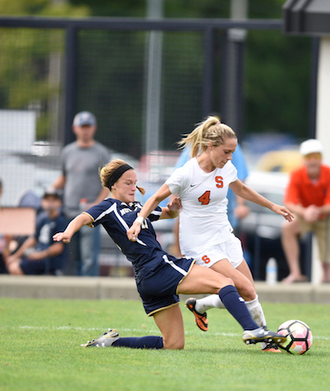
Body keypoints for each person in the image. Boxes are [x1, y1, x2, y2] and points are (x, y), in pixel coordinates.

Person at [53, 159, 287, 350]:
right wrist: (67, 232)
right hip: (158, 268)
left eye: (135, 183)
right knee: (224, 282)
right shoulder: (108, 207)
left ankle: (112, 342)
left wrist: (173, 210)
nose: (134, 188)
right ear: (113, 185)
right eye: (128, 183)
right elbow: (84, 217)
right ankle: (253, 329)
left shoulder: (138, 208)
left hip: (149, 279)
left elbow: (166, 213)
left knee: (173, 344)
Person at [128, 116, 293, 352]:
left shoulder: (226, 168)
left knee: (248, 291)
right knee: (243, 288)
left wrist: (273, 206)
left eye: (232, 153)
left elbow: (242, 189)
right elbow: (155, 198)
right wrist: (139, 220)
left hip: (224, 236)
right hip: (200, 244)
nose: (229, 158)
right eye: (226, 152)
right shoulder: (187, 173)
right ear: (210, 146)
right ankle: (265, 340)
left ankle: (200, 305)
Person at [50, 111, 111, 276]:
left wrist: (97, 204)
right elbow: (64, 177)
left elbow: (108, 184)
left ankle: (90, 294)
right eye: (82, 127)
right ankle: (74, 294)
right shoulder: (68, 152)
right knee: (72, 257)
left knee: (89, 257)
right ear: (75, 128)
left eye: (88, 127)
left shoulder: (101, 153)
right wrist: (50, 192)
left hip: (90, 213)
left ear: (94, 128)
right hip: (69, 211)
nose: (85, 130)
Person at [281, 139, 330, 284]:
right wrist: (305, 212)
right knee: (287, 228)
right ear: (303, 159)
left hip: (327, 216)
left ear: (321, 158)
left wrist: (315, 211)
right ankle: (295, 273)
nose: (313, 161)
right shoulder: (296, 174)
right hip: (305, 215)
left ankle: (326, 275)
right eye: (309, 157)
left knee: (327, 248)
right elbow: (289, 201)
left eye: (317, 157)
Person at [6, 189, 68, 276]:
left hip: (50, 260)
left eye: (53, 200)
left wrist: (39, 255)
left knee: (15, 267)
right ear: (42, 202)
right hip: (37, 256)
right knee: (12, 264)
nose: (50, 203)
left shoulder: (60, 221)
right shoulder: (43, 220)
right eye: (47, 200)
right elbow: (33, 239)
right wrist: (16, 256)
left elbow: (59, 247)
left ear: (59, 203)